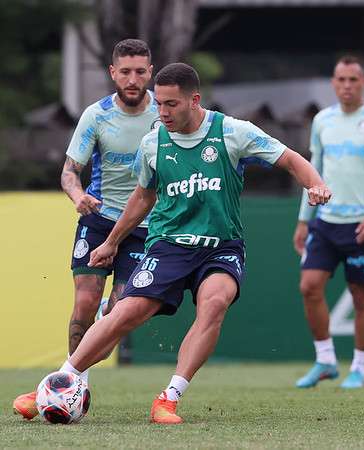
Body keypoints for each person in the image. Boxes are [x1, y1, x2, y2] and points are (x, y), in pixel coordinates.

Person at [45, 62, 331, 424]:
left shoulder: (232, 132)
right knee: (125, 313)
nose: (161, 112)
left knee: (215, 302)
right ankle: (60, 380)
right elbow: (143, 199)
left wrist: (315, 184)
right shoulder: (153, 143)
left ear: (194, 100)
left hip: (221, 246)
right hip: (169, 245)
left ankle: (169, 398)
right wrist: (112, 241)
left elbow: (290, 159)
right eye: (159, 104)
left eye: (171, 105)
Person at [13, 39, 158, 420]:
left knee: (118, 311)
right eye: (124, 71)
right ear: (112, 73)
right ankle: (77, 387)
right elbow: (69, 172)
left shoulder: (165, 112)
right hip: (98, 218)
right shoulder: (96, 115)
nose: (132, 79)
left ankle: (62, 379)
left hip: (146, 227)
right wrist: (77, 196)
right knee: (85, 303)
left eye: (140, 71)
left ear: (150, 72)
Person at [292, 56, 364, 389]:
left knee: (360, 296)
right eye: (340, 79)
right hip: (325, 222)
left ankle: (360, 367)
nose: (346, 86)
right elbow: (313, 173)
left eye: (352, 80)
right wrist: (303, 220)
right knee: (309, 286)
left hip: (361, 225)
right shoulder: (323, 120)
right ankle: (325, 360)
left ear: (363, 82)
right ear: (332, 82)